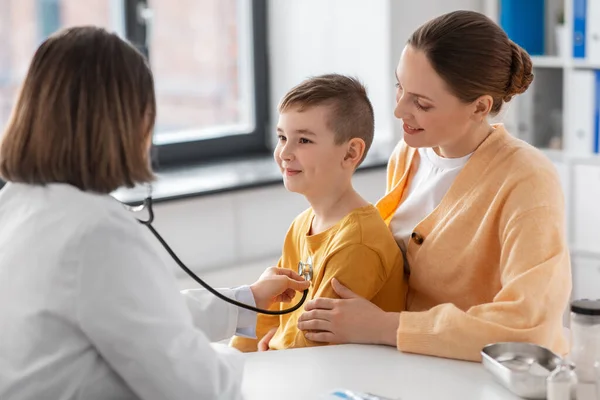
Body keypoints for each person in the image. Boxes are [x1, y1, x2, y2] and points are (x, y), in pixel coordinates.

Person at [0, 26, 309, 400]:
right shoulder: (96, 232)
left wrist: (246, 300)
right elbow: (198, 387)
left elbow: (129, 312)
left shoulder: (16, 204)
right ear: (129, 122)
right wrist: (244, 361)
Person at [297, 10, 572, 362]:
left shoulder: (527, 180)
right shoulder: (408, 156)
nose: (398, 110)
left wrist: (386, 327)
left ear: (480, 107)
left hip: (474, 376)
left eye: (421, 103)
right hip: (404, 363)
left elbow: (529, 325)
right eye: (400, 86)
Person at [229, 74, 406, 352]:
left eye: (304, 141)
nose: (285, 152)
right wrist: (250, 353)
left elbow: (312, 346)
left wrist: (273, 348)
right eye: (282, 137)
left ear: (350, 153)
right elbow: (271, 316)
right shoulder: (302, 226)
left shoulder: (357, 244)